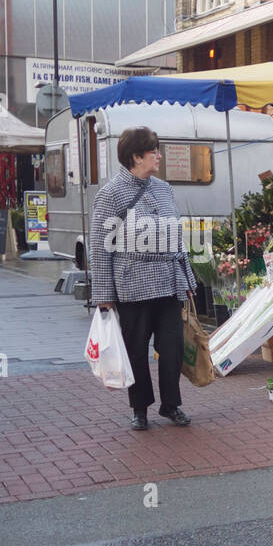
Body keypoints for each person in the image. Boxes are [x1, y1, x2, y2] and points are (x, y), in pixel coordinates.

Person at [88, 127, 196, 431]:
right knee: (136, 350)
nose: (159, 155)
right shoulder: (110, 193)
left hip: (169, 281)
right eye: (153, 151)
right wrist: (104, 295)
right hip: (132, 286)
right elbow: (99, 247)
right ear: (136, 157)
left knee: (173, 348)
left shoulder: (164, 188)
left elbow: (177, 239)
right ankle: (139, 409)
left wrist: (187, 278)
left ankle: (171, 405)